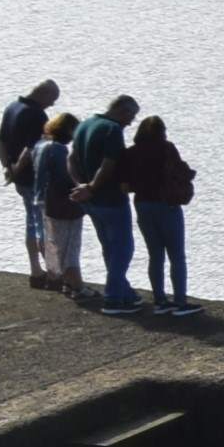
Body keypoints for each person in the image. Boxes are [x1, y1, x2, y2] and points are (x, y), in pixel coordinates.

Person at [119, 112, 199, 318]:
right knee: (176, 256)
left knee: (155, 255)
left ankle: (160, 301)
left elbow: (126, 184)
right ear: (162, 132)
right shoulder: (167, 149)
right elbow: (181, 172)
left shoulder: (131, 153)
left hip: (143, 205)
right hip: (167, 205)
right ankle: (180, 302)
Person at [69, 94, 143, 315]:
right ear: (122, 110)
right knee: (123, 248)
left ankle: (126, 293)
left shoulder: (84, 124)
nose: (131, 122)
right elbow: (108, 164)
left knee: (109, 247)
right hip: (110, 199)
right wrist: (91, 187)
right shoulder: (112, 130)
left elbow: (71, 159)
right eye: (131, 116)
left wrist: (80, 185)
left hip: (90, 202)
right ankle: (113, 298)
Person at [0, 78, 62, 287]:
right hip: (34, 178)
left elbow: (1, 141)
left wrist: (7, 167)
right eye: (52, 99)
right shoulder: (36, 114)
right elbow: (31, 149)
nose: (52, 105)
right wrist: (15, 170)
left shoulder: (12, 107)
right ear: (42, 94)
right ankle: (53, 273)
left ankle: (36, 269)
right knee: (44, 225)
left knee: (32, 223)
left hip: (20, 179)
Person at [28, 110, 93, 304]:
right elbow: (65, 178)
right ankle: (77, 286)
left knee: (55, 244)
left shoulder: (40, 145)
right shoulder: (59, 150)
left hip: (44, 201)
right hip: (63, 204)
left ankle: (65, 281)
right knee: (70, 247)